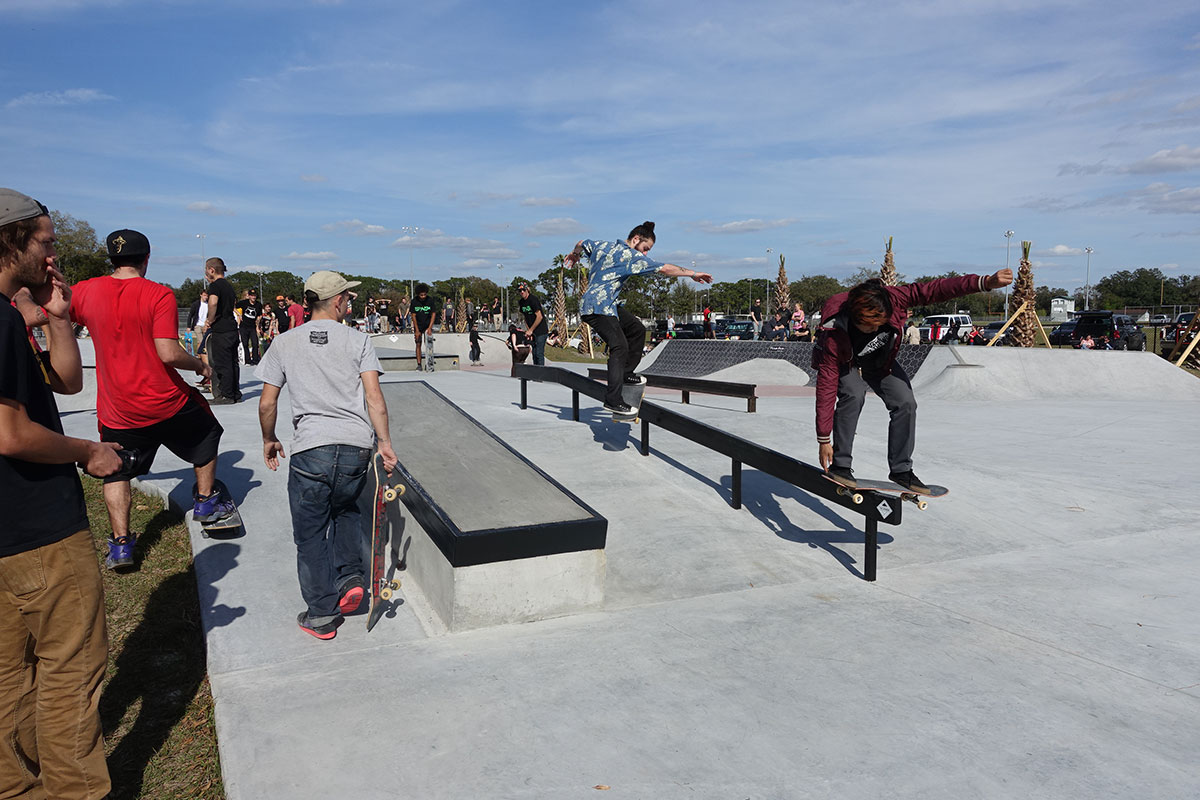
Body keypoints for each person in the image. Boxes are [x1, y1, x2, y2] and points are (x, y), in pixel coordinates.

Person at [0, 188, 124, 800]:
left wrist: (55, 313)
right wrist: (89, 452)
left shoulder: (11, 317)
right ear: (12, 240)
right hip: (38, 528)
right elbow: (12, 433)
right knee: (70, 675)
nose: (53, 253)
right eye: (45, 241)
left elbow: (66, 379)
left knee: (8, 682)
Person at [71, 229, 233, 569]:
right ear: (146, 260)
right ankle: (205, 501)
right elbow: (169, 353)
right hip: (165, 401)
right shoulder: (158, 294)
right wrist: (200, 366)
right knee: (206, 432)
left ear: (111, 259)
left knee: (117, 471)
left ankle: (120, 546)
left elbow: (54, 313)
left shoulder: (84, 291)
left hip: (118, 410)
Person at [256, 270, 397, 640]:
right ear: (337, 302)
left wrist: (269, 439)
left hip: (311, 449)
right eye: (348, 299)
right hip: (354, 447)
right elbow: (374, 399)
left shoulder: (284, 343)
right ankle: (350, 578)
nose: (349, 304)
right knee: (346, 508)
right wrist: (384, 443)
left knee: (310, 532)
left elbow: (267, 401)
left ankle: (321, 613)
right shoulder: (358, 340)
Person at [814, 270, 1013, 494]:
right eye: (868, 326)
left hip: (878, 360)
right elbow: (826, 387)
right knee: (853, 393)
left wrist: (984, 283)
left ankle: (901, 469)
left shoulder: (897, 297)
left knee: (905, 402)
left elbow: (936, 289)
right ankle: (841, 465)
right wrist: (823, 439)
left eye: (879, 324)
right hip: (844, 360)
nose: (874, 329)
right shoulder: (833, 330)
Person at [564, 221, 712, 416]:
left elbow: (582, 242)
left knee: (637, 329)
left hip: (605, 305)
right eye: (645, 248)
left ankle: (625, 374)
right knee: (619, 346)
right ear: (635, 240)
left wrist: (574, 255)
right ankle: (613, 400)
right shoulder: (630, 256)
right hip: (598, 308)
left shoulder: (602, 245)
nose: (644, 254)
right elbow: (665, 269)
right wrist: (693, 273)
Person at [201, 257, 241, 404]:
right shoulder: (229, 286)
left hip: (221, 329)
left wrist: (210, 320)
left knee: (221, 363)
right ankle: (235, 392)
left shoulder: (215, 286)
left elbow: (213, 303)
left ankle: (226, 395)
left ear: (212, 270)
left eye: (206, 270)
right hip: (232, 328)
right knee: (232, 362)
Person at [517, 283, 549, 365]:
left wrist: (531, 330)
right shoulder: (521, 302)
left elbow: (539, 317)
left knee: (539, 353)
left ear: (527, 290)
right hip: (532, 332)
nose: (522, 292)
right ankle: (536, 373)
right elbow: (525, 317)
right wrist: (529, 331)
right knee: (534, 354)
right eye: (520, 291)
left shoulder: (533, 300)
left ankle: (541, 374)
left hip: (541, 330)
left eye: (523, 290)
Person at [410, 284, 437, 369]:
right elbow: (413, 316)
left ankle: (429, 363)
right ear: (418, 294)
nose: (423, 297)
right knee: (418, 343)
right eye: (421, 295)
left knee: (428, 344)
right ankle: (419, 364)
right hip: (418, 324)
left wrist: (429, 328)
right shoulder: (414, 301)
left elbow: (433, 314)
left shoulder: (430, 300)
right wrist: (417, 330)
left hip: (427, 324)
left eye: (424, 295)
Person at [236, 287, 263, 365]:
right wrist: (239, 315)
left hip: (252, 327)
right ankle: (247, 360)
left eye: (254, 295)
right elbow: (233, 306)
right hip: (244, 326)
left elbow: (259, 315)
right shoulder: (244, 303)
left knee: (255, 343)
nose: (253, 297)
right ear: (249, 296)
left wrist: (258, 323)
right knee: (245, 344)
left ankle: (255, 359)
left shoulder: (258, 304)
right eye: (252, 295)